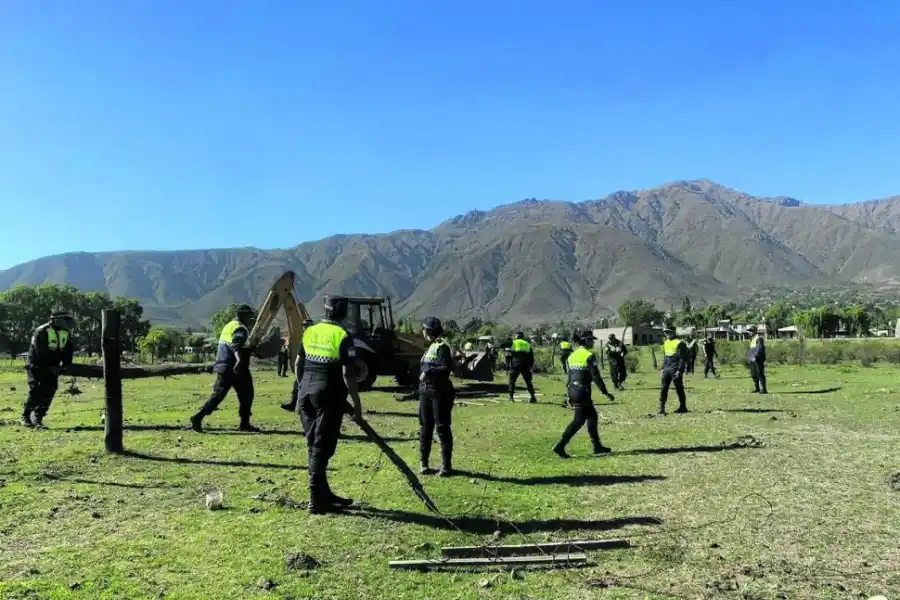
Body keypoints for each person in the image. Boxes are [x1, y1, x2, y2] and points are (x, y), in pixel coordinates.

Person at [294, 296, 362, 514]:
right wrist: (356, 403)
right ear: (342, 313)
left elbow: (298, 363)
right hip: (328, 396)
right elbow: (347, 372)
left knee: (314, 444)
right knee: (321, 448)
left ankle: (324, 494)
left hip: (306, 393)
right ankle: (315, 500)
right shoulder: (342, 335)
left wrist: (301, 387)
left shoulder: (310, 331)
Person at [191, 304, 259, 432]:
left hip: (223, 365)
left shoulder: (229, 325)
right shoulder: (240, 328)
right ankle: (244, 423)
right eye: (249, 315)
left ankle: (198, 417)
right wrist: (239, 360)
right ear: (243, 315)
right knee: (247, 395)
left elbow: (231, 345)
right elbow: (236, 344)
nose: (250, 319)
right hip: (235, 368)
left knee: (218, 395)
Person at [552, 330, 614, 458]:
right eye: (591, 340)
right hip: (582, 391)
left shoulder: (571, 356)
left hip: (573, 390)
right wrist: (605, 392)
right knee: (578, 421)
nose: (593, 342)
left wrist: (568, 395)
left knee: (591, 416)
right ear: (586, 340)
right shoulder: (589, 355)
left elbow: (569, 376)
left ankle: (597, 446)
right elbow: (596, 376)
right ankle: (560, 445)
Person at [21, 310, 75, 429]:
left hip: (53, 368)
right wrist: (49, 367)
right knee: (36, 390)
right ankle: (25, 416)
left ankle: (38, 418)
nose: (67, 323)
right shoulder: (42, 331)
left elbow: (68, 349)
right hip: (37, 366)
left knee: (50, 391)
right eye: (65, 320)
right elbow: (40, 352)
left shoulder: (64, 332)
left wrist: (66, 364)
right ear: (56, 320)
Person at [418, 317, 455, 477]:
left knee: (441, 427)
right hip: (426, 392)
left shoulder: (442, 347)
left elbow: (446, 369)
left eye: (423, 329)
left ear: (429, 331)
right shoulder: (431, 347)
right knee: (425, 427)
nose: (422, 332)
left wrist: (428, 372)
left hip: (440, 393)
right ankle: (424, 463)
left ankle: (446, 466)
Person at [281, 319, 315, 412]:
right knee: (297, 384)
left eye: (306, 325)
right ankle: (294, 404)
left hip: (310, 366)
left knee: (303, 385)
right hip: (304, 365)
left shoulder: (312, 337)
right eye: (304, 326)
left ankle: (302, 406)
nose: (305, 327)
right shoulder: (305, 337)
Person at [659, 326, 689, 415]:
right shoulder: (665, 343)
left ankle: (683, 407)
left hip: (675, 369)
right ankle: (661, 409)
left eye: (668, 332)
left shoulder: (680, 343)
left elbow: (682, 358)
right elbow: (665, 357)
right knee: (664, 388)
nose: (667, 334)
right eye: (665, 332)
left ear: (673, 332)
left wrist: (679, 370)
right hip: (666, 369)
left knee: (679, 388)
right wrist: (662, 369)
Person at [507, 332, 537, 403]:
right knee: (528, 381)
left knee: (512, 381)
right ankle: (533, 397)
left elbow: (508, 355)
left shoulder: (513, 343)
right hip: (525, 365)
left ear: (516, 336)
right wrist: (531, 367)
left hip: (515, 364)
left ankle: (511, 397)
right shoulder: (527, 344)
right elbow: (531, 357)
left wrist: (508, 364)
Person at [747, 326, 768, 393]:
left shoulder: (759, 338)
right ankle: (757, 388)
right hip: (752, 360)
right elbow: (751, 350)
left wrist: (755, 356)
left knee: (760, 374)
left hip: (758, 360)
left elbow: (759, 348)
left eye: (751, 331)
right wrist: (749, 358)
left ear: (755, 331)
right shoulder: (752, 339)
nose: (750, 332)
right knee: (753, 375)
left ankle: (763, 389)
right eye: (749, 331)